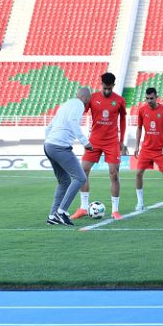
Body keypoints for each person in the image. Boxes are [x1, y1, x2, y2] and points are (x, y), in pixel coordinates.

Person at [72, 72, 127, 220]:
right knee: (83, 171)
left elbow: (122, 121)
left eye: (110, 88)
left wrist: (121, 141)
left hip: (112, 142)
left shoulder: (119, 100)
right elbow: (81, 112)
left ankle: (115, 210)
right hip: (94, 141)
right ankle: (83, 208)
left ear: (113, 85)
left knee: (114, 174)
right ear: (101, 84)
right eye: (105, 88)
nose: (107, 91)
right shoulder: (93, 98)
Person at [44, 88, 94, 225]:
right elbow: (72, 122)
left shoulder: (65, 105)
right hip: (60, 146)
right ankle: (61, 212)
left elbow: (49, 127)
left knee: (64, 181)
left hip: (49, 145)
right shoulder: (79, 105)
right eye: (88, 100)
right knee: (80, 177)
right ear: (86, 98)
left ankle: (52, 216)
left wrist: (50, 140)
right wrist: (85, 142)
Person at [134, 87, 163, 212]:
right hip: (146, 149)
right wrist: (137, 146)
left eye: (151, 98)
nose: (149, 101)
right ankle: (140, 203)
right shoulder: (142, 110)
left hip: (160, 150)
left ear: (157, 97)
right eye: (147, 98)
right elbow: (139, 128)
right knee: (138, 173)